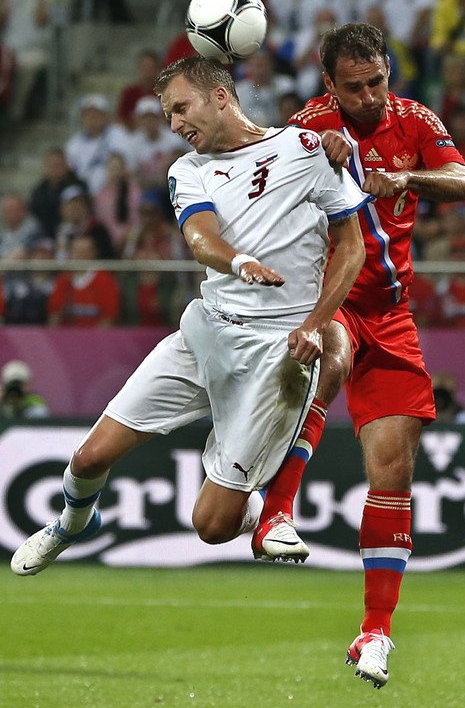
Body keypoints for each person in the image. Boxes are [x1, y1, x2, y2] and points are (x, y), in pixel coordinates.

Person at [11, 56, 367, 583]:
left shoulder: (307, 149)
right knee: (87, 460)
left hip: (273, 354)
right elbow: (201, 239)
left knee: (212, 526)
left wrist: (315, 322)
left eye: (180, 108)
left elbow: (352, 248)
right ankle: (72, 522)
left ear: (221, 97)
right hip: (205, 332)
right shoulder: (188, 170)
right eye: (168, 115)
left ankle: (259, 507)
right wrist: (238, 262)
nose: (175, 124)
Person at [254, 23, 465, 689]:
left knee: (393, 472)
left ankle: (374, 632)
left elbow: (461, 180)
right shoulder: (308, 126)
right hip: (333, 299)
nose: (369, 96)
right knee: (335, 357)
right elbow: (267, 197)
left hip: (393, 314)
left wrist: (404, 176)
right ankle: (277, 512)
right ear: (329, 85)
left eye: (377, 81)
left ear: (387, 72)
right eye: (354, 88)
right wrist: (315, 160)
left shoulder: (416, 120)